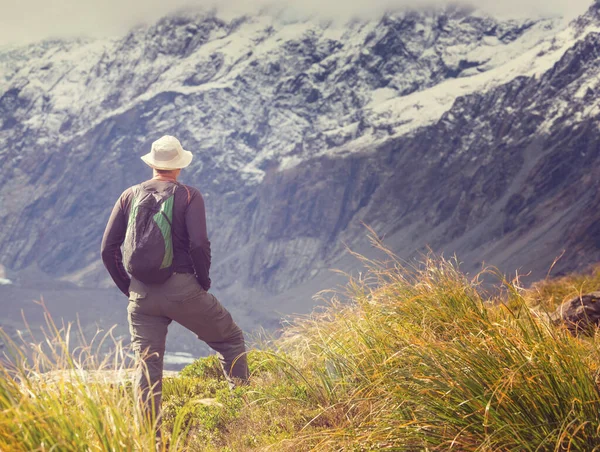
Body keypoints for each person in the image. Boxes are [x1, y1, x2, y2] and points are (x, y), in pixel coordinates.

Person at [101, 135, 249, 428]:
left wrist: (129, 288)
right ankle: (242, 417)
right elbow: (198, 245)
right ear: (179, 166)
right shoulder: (189, 195)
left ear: (153, 164)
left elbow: (108, 249)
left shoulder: (129, 195)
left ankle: (148, 440)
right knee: (230, 340)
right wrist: (202, 282)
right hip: (183, 289)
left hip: (141, 296)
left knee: (148, 368)